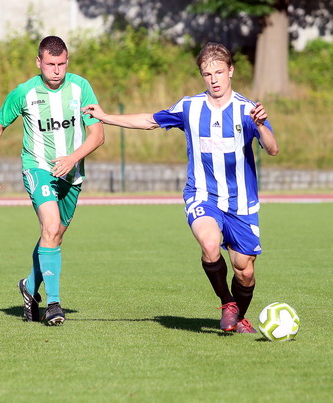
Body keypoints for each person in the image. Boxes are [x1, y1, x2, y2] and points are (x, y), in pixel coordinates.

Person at [83, 42, 279, 333]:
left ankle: (239, 317)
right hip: (202, 195)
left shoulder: (247, 110)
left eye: (219, 72)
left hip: (241, 203)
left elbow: (272, 149)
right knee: (209, 244)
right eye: (207, 74)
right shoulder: (190, 107)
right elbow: (150, 121)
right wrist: (106, 116)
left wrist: (261, 125)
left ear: (231, 71)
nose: (214, 79)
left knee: (245, 271)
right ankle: (227, 303)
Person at [0, 36, 105, 325]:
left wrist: (72, 159)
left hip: (71, 174)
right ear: (39, 62)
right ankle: (54, 305)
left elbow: (98, 135)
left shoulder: (81, 88)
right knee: (50, 226)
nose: (56, 70)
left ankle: (29, 286)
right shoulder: (24, 92)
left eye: (61, 64)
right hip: (38, 168)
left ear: (67, 61)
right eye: (50, 64)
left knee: (55, 235)